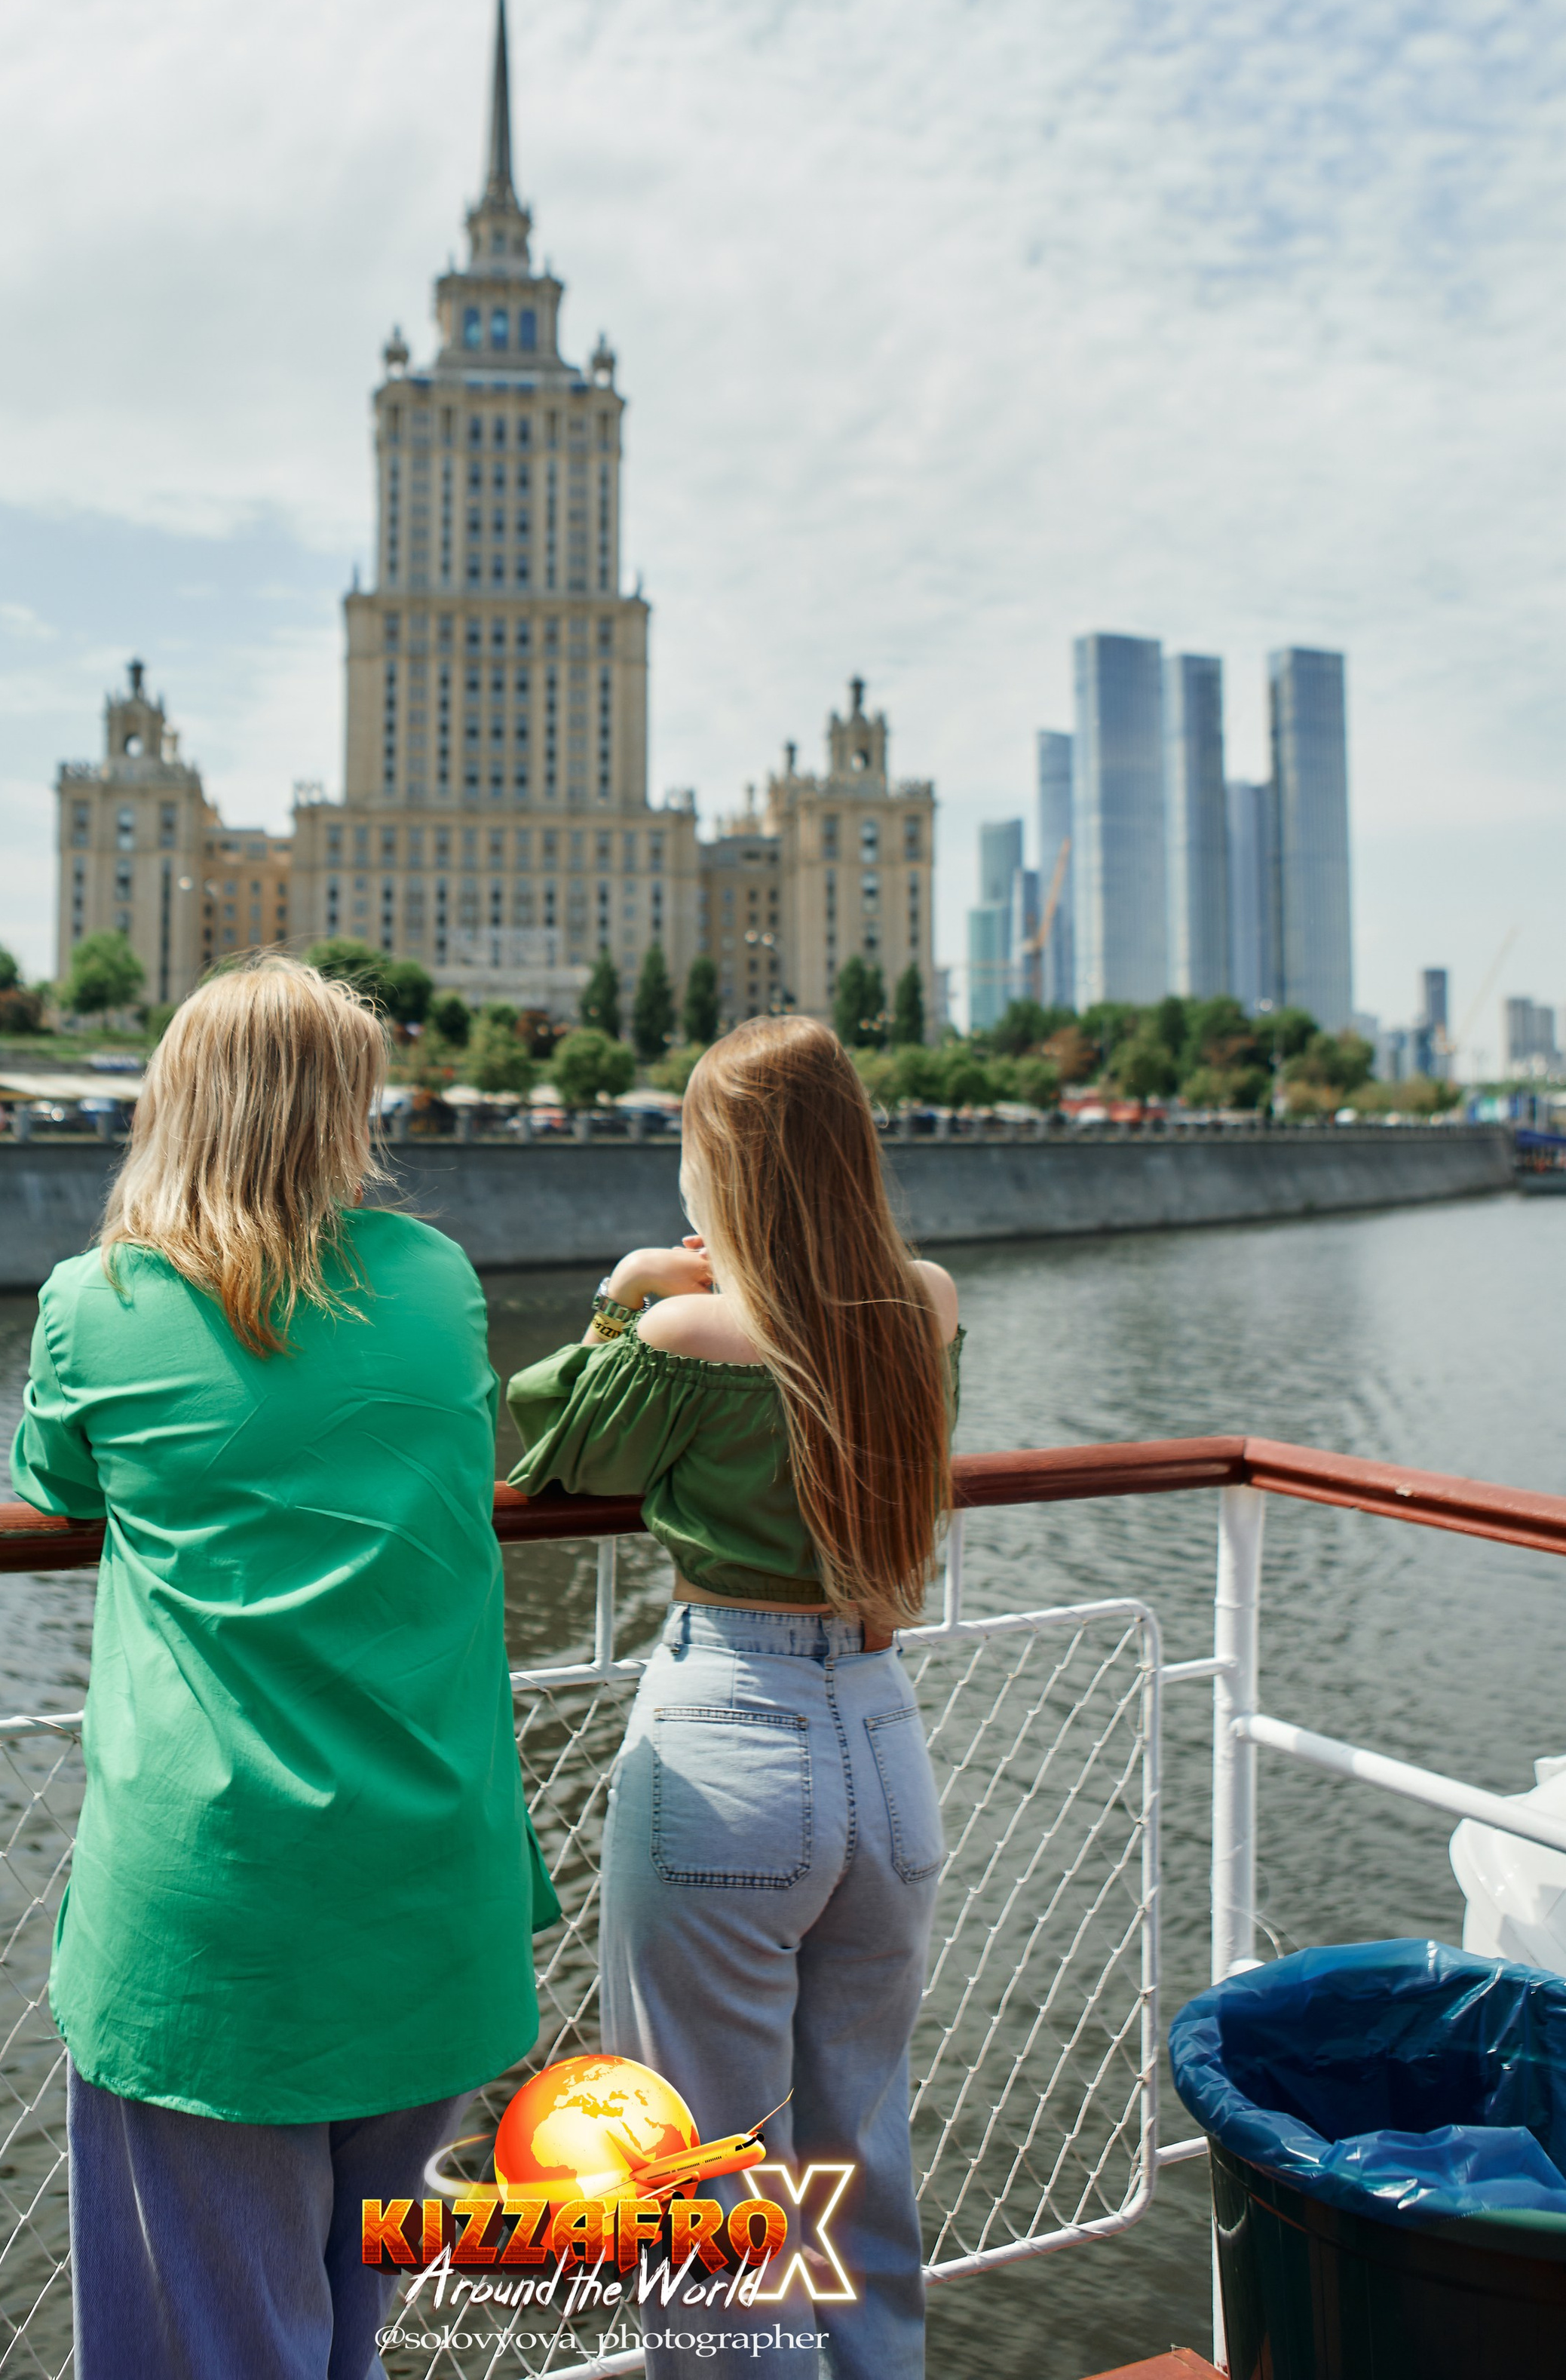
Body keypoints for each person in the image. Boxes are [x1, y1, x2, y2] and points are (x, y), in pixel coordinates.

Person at [8, 955, 556, 2380]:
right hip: (434, 1904)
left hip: (220, 1933)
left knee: (216, 2345)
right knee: (339, 2333)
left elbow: (55, 1480)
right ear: (344, 1114)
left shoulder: (99, 1298)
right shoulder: (436, 1279)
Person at [504, 1015, 961, 2378]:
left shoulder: (691, 1327)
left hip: (731, 1747)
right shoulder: (925, 1306)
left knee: (704, 2188)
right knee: (860, 2154)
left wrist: (623, 1289)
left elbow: (552, 1451)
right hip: (882, 1737)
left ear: (724, 1170)